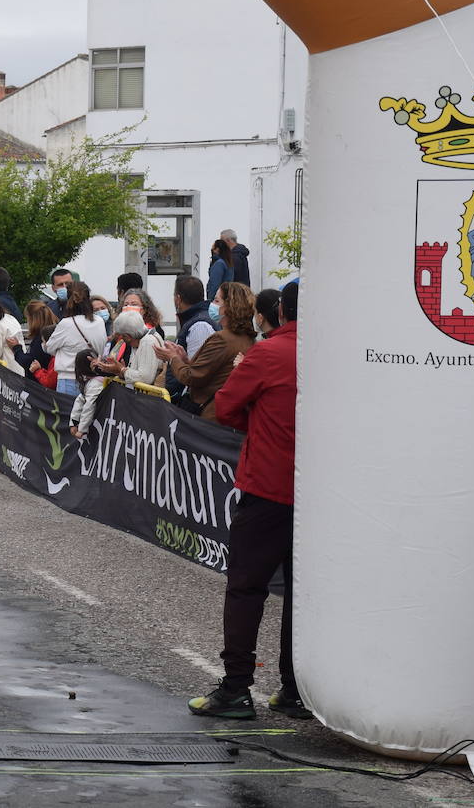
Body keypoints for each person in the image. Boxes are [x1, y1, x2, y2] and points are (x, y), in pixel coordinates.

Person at [189, 283, 303, 720]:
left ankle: (237, 687)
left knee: (246, 587)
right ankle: (296, 688)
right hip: (319, 494)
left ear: (278, 313)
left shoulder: (269, 354)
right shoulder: (334, 356)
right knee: (303, 594)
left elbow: (227, 406)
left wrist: (261, 422)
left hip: (268, 485)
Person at [158, 281, 257, 419]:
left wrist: (173, 358)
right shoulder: (248, 338)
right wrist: (186, 360)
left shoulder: (222, 339)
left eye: (217, 300)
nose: (211, 304)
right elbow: (212, 369)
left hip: (210, 415)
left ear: (228, 307)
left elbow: (193, 376)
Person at [45, 280, 107, 397]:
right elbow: (102, 346)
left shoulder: (66, 324)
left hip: (69, 378)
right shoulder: (99, 321)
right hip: (93, 378)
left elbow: (49, 348)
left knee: (69, 414)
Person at [164, 275, 217, 400]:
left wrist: (173, 357)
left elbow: (197, 371)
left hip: (191, 402)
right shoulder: (193, 320)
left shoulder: (200, 326)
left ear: (178, 299)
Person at [93, 310, 163, 388]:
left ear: (128, 336)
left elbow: (145, 378)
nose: (122, 339)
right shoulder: (141, 339)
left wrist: (122, 370)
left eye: (123, 336)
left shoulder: (147, 342)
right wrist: (117, 371)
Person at [6, 300, 58, 384]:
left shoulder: (40, 339)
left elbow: (30, 362)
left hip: (39, 385)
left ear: (33, 319)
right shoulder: (53, 332)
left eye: (28, 319)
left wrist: (16, 348)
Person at [68, 349, 105, 439]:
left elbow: (90, 405)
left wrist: (81, 430)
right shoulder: (90, 382)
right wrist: (74, 422)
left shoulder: (96, 384)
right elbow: (81, 399)